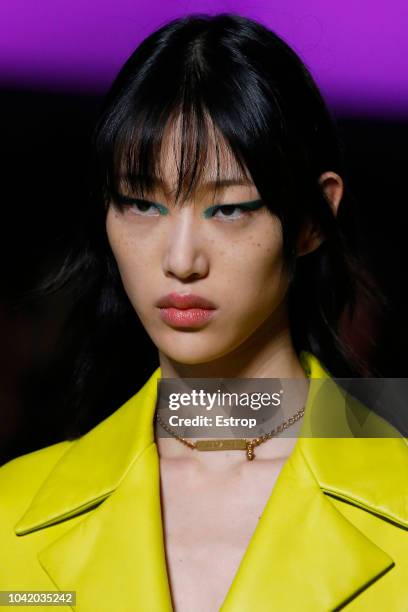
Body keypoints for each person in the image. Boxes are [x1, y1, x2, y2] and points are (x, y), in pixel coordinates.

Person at [1, 12, 407, 612]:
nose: (181, 260)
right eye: (141, 203)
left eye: (229, 209)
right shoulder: (13, 514)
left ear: (313, 220)